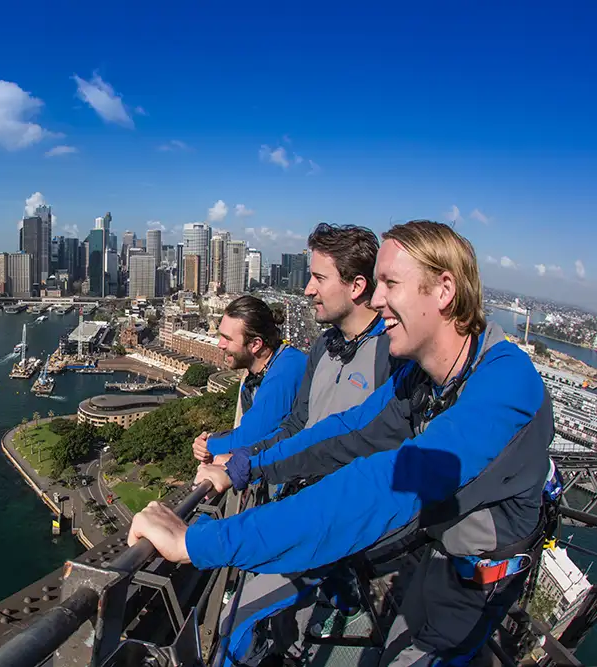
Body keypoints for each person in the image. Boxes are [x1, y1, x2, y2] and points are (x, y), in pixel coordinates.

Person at [129, 220, 554, 666]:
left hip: (469, 597)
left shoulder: (505, 387)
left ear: (444, 290)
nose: (377, 298)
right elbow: (341, 434)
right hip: (425, 565)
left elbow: (381, 485)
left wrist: (197, 542)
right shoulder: (419, 379)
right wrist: (245, 468)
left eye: (390, 283)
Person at [194, 223, 392, 469]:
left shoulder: (390, 351)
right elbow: (296, 427)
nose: (309, 289)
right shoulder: (324, 346)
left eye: (319, 278)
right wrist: (247, 460)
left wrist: (223, 450)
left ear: (357, 286)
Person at [190, 295, 307, 457]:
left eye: (227, 339)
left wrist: (208, 444)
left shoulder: (284, 373)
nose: (220, 344)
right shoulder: (264, 370)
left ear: (256, 344)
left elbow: (250, 438)